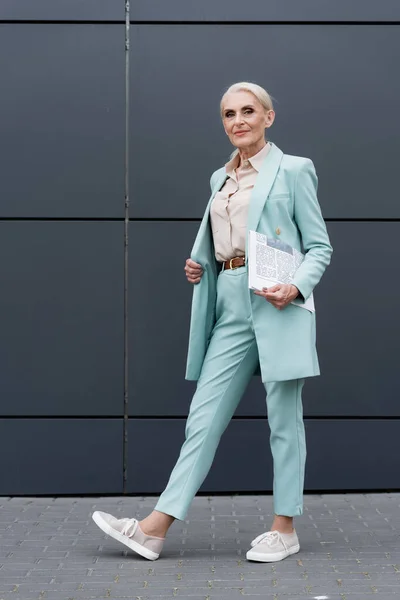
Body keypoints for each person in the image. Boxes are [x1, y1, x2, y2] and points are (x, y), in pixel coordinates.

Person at [92, 81, 333, 563]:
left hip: (278, 302)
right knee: (202, 420)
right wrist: (203, 263)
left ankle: (284, 528)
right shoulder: (219, 179)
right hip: (228, 302)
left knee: (284, 421)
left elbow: (319, 246)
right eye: (229, 114)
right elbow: (225, 241)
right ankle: (155, 530)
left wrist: (297, 286)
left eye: (248, 111)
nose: (238, 121)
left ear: (269, 117)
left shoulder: (294, 169)